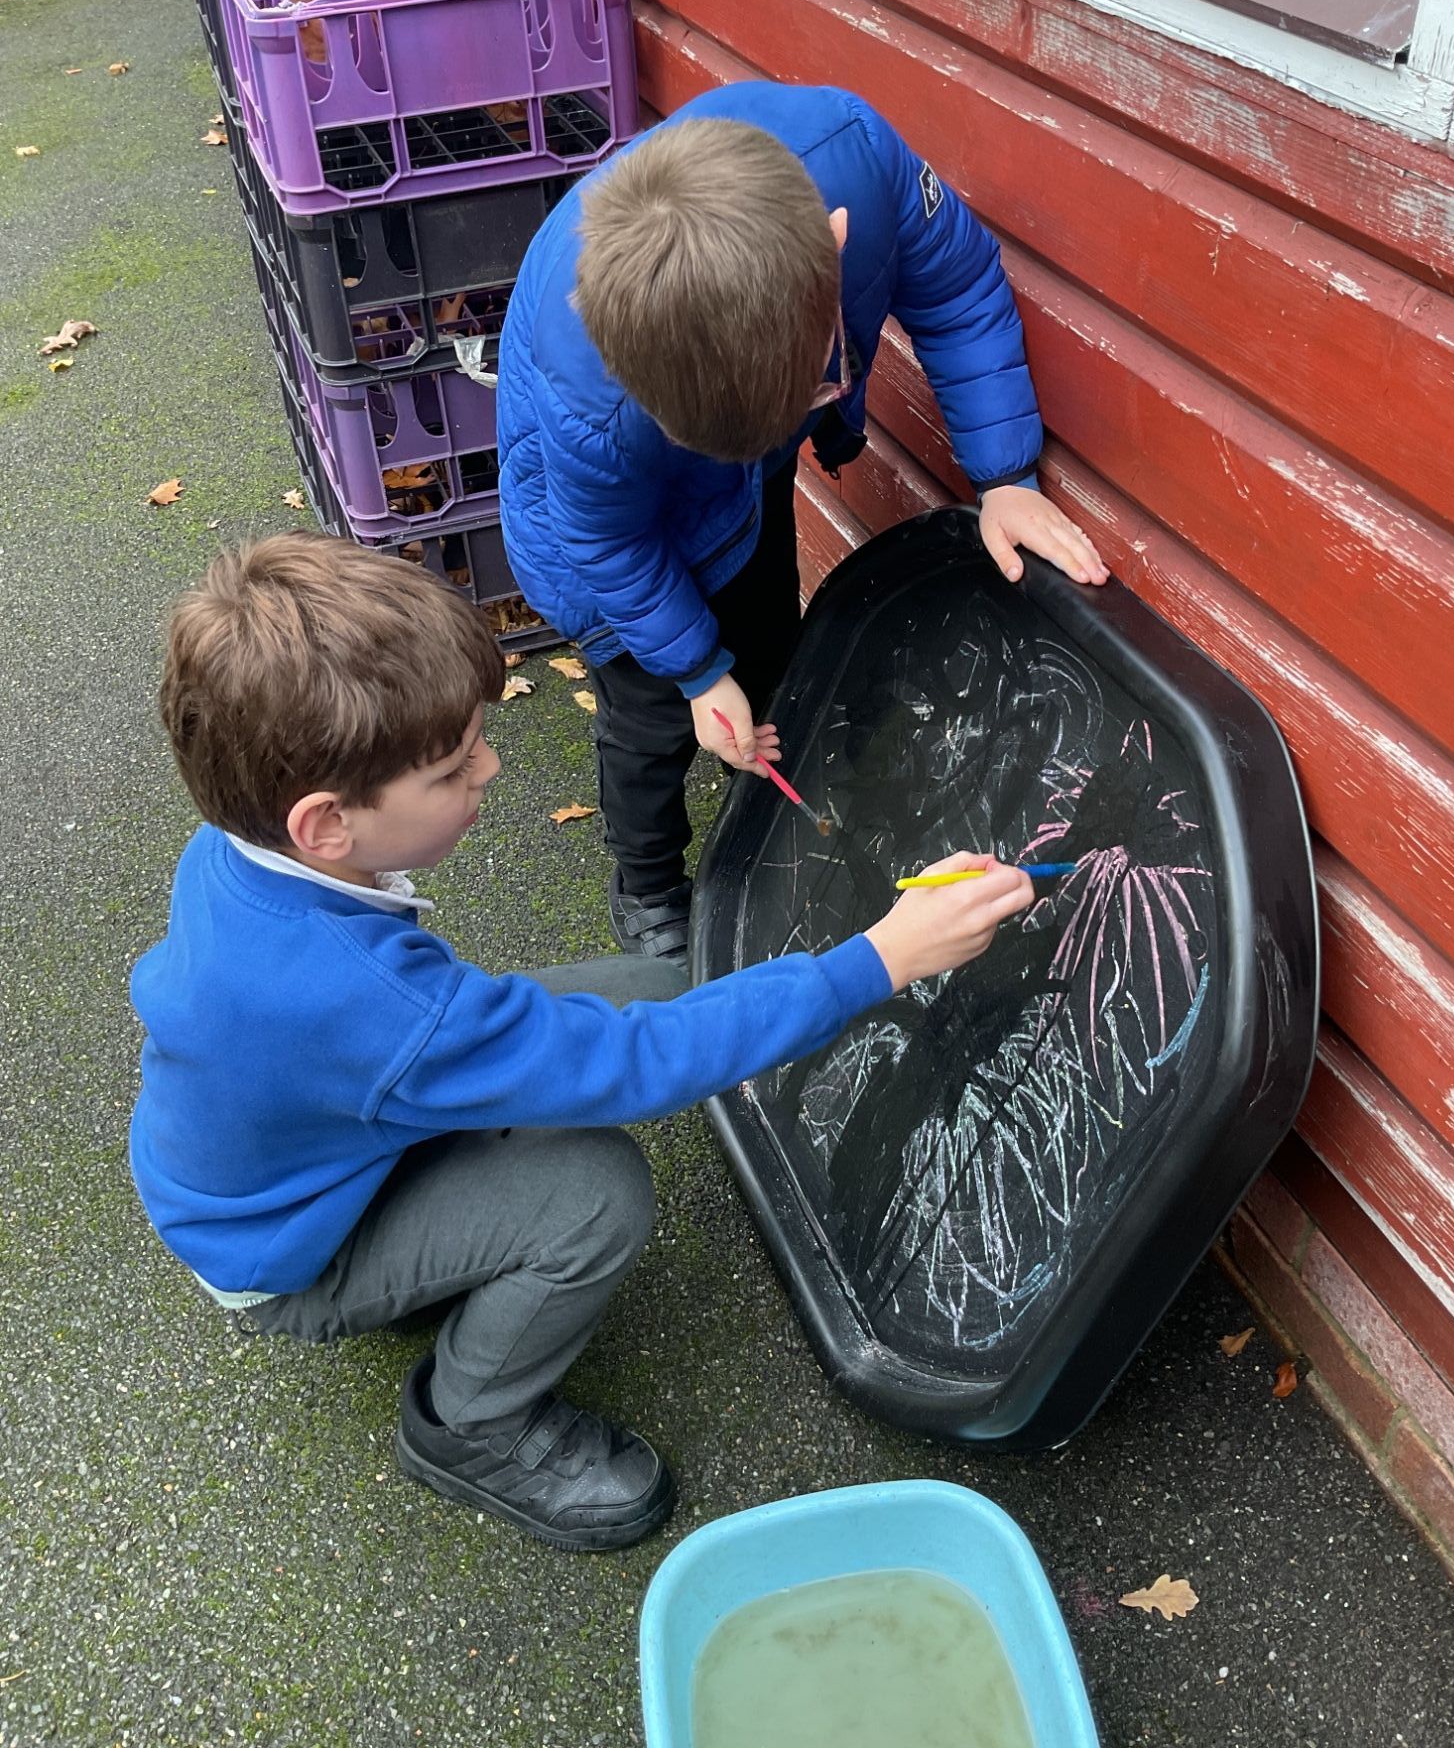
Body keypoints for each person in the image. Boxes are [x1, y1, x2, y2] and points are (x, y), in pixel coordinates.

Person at [128, 533, 1035, 1552]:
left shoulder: (239, 843)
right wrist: (875, 962)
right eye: (452, 765)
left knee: (660, 989)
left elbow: (523, 1030)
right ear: (326, 824)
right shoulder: (374, 1005)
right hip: (290, 1253)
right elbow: (632, 1067)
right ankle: (469, 1423)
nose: (491, 766)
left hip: (301, 1141)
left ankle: (446, 1233)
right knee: (595, 1194)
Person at [497, 81, 1108, 964]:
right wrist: (698, 675)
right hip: (595, 535)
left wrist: (1004, 475)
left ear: (837, 245)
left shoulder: (862, 161)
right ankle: (648, 881)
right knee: (650, 710)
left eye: (821, 383)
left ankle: (763, 798)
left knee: (767, 637)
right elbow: (608, 542)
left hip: (735, 477)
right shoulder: (589, 393)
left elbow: (961, 290)